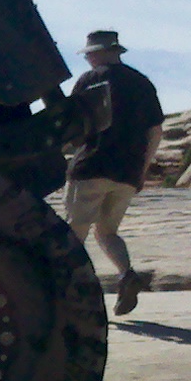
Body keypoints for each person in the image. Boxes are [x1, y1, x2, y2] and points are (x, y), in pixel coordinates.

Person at [62, 30, 165, 316]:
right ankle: (127, 274)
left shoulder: (90, 80)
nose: (88, 59)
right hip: (127, 173)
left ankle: (71, 293)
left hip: (91, 167)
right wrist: (142, 171)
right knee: (108, 232)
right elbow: (156, 131)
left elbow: (72, 125)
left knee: (74, 233)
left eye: (90, 54)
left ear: (98, 53)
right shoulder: (142, 83)